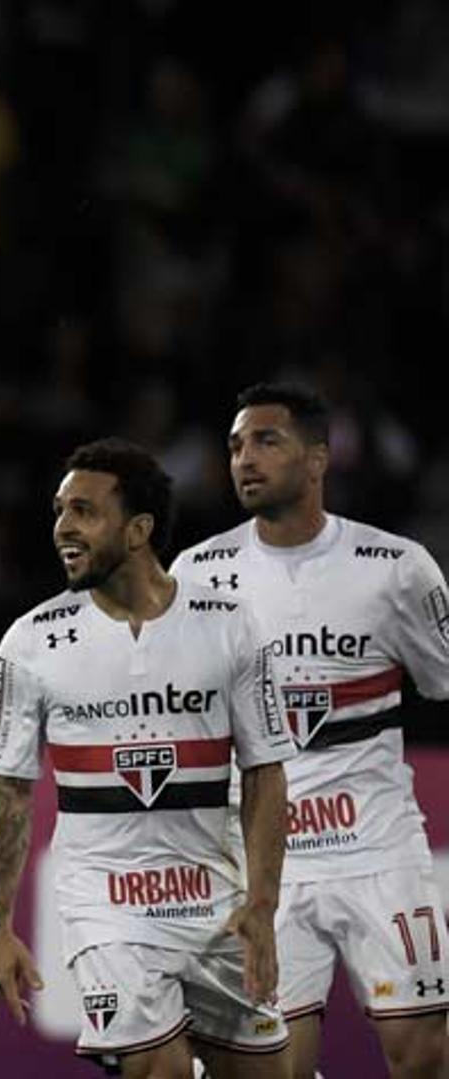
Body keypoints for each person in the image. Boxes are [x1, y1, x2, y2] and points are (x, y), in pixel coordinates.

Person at [0, 438, 295, 1079]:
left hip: (216, 904)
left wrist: (262, 904)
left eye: (85, 511)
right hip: (106, 906)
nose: (63, 527)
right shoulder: (32, 642)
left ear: (139, 529)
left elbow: (266, 773)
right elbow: (9, 791)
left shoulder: (229, 625)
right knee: (161, 1071)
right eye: (60, 510)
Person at [171, 383, 449, 1079]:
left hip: (379, 847)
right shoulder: (199, 574)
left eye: (267, 441)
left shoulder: (396, 568)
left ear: (318, 458)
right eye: (235, 445)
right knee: (274, 1070)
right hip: (265, 863)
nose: (244, 459)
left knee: (422, 1056)